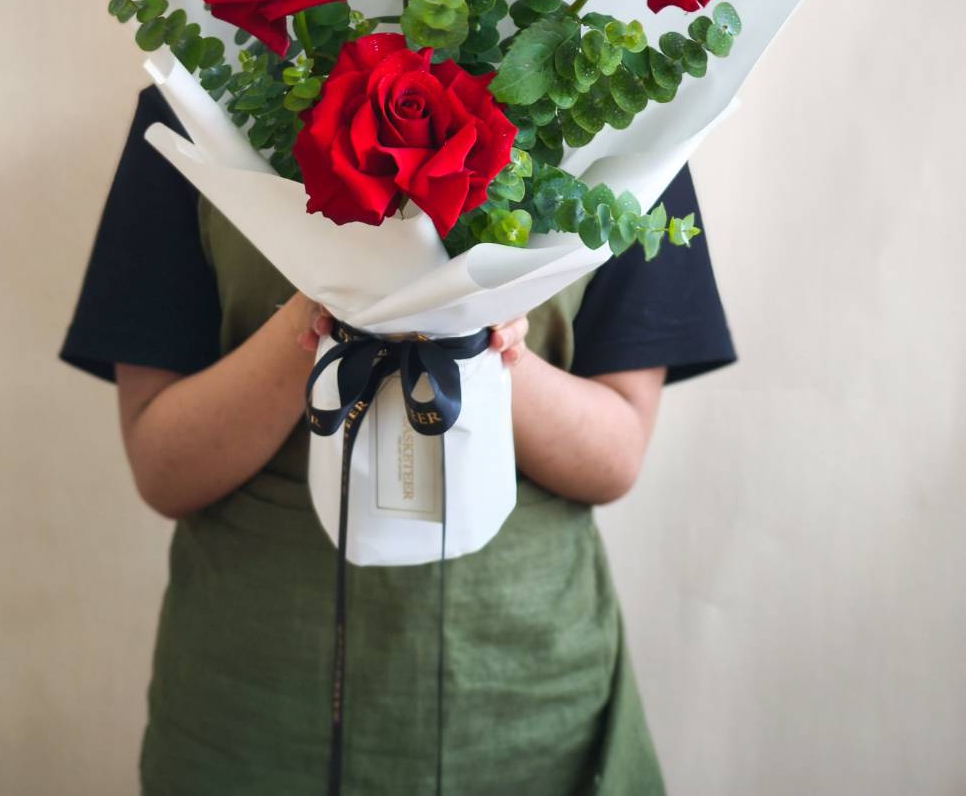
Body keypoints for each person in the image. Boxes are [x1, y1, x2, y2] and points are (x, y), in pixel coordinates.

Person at [60, 83, 736, 795]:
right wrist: (333, 308)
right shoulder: (196, 102)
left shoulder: (624, 101)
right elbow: (164, 466)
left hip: (524, 699)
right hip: (257, 700)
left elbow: (617, 453)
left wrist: (479, 336)